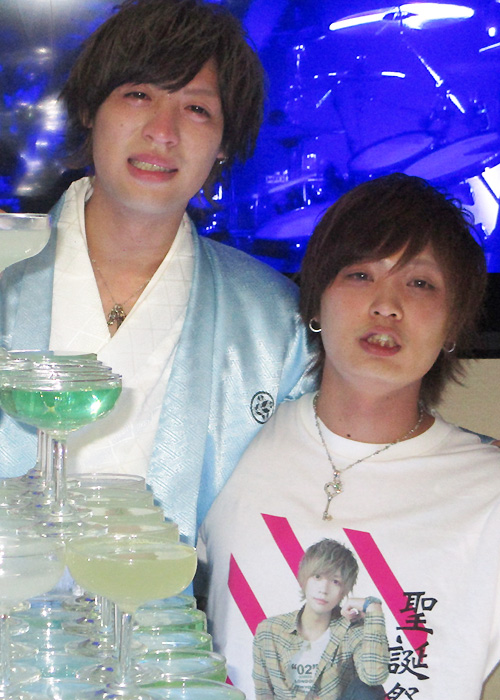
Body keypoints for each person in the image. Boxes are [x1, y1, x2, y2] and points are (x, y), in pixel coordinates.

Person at [0, 0, 313, 544]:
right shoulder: (8, 265)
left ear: (224, 144)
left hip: (166, 599)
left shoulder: (273, 322)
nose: (163, 131)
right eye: (139, 95)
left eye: (197, 109)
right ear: (90, 109)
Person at [198, 173, 500, 699]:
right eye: (360, 275)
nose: (387, 304)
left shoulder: (489, 489)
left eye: (420, 283)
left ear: (453, 324)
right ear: (315, 303)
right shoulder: (229, 443)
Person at [253, 538, 389, 699]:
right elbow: (263, 694)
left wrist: (373, 608)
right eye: (317, 577)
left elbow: (374, 678)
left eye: (335, 581)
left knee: (367, 689)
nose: (324, 589)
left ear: (344, 590)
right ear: (304, 579)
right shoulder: (269, 631)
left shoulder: (353, 632)